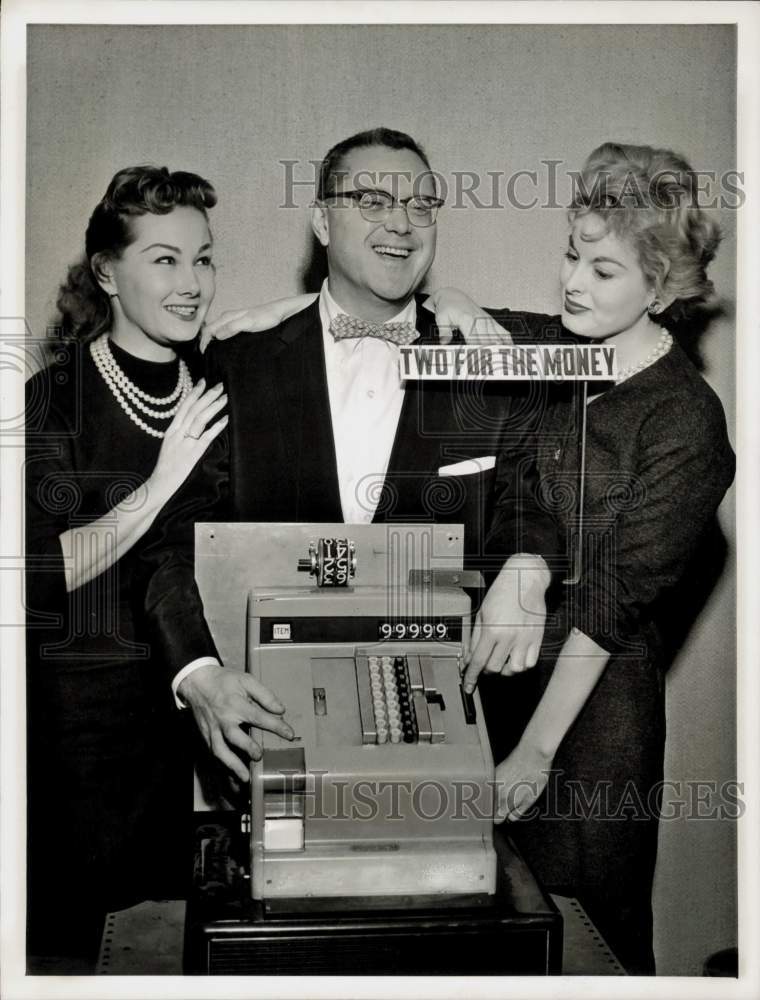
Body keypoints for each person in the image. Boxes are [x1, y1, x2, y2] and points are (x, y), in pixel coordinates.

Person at [204, 141, 735, 974]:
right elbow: (421, 308)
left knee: (582, 926)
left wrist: (533, 754)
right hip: (484, 682)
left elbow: (610, 606)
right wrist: (279, 316)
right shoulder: (534, 346)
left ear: (661, 289)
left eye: (602, 270)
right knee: (472, 935)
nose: (572, 285)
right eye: (570, 256)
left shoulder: (687, 423)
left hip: (588, 709)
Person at [140, 127, 557, 784]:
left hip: (434, 737)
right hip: (265, 729)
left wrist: (530, 564)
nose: (403, 224)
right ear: (321, 221)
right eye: (373, 201)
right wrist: (197, 674)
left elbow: (527, 493)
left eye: (422, 205)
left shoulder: (485, 355)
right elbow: (168, 540)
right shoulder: (238, 359)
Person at [24, 165, 287, 968]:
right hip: (80, 741)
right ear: (107, 270)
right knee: (74, 952)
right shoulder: (51, 401)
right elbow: (43, 576)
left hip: (194, 732)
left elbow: (180, 564)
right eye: (165, 259)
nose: (192, 283)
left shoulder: (215, 384)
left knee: (174, 954)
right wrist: (161, 482)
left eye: (203, 258)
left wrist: (444, 308)